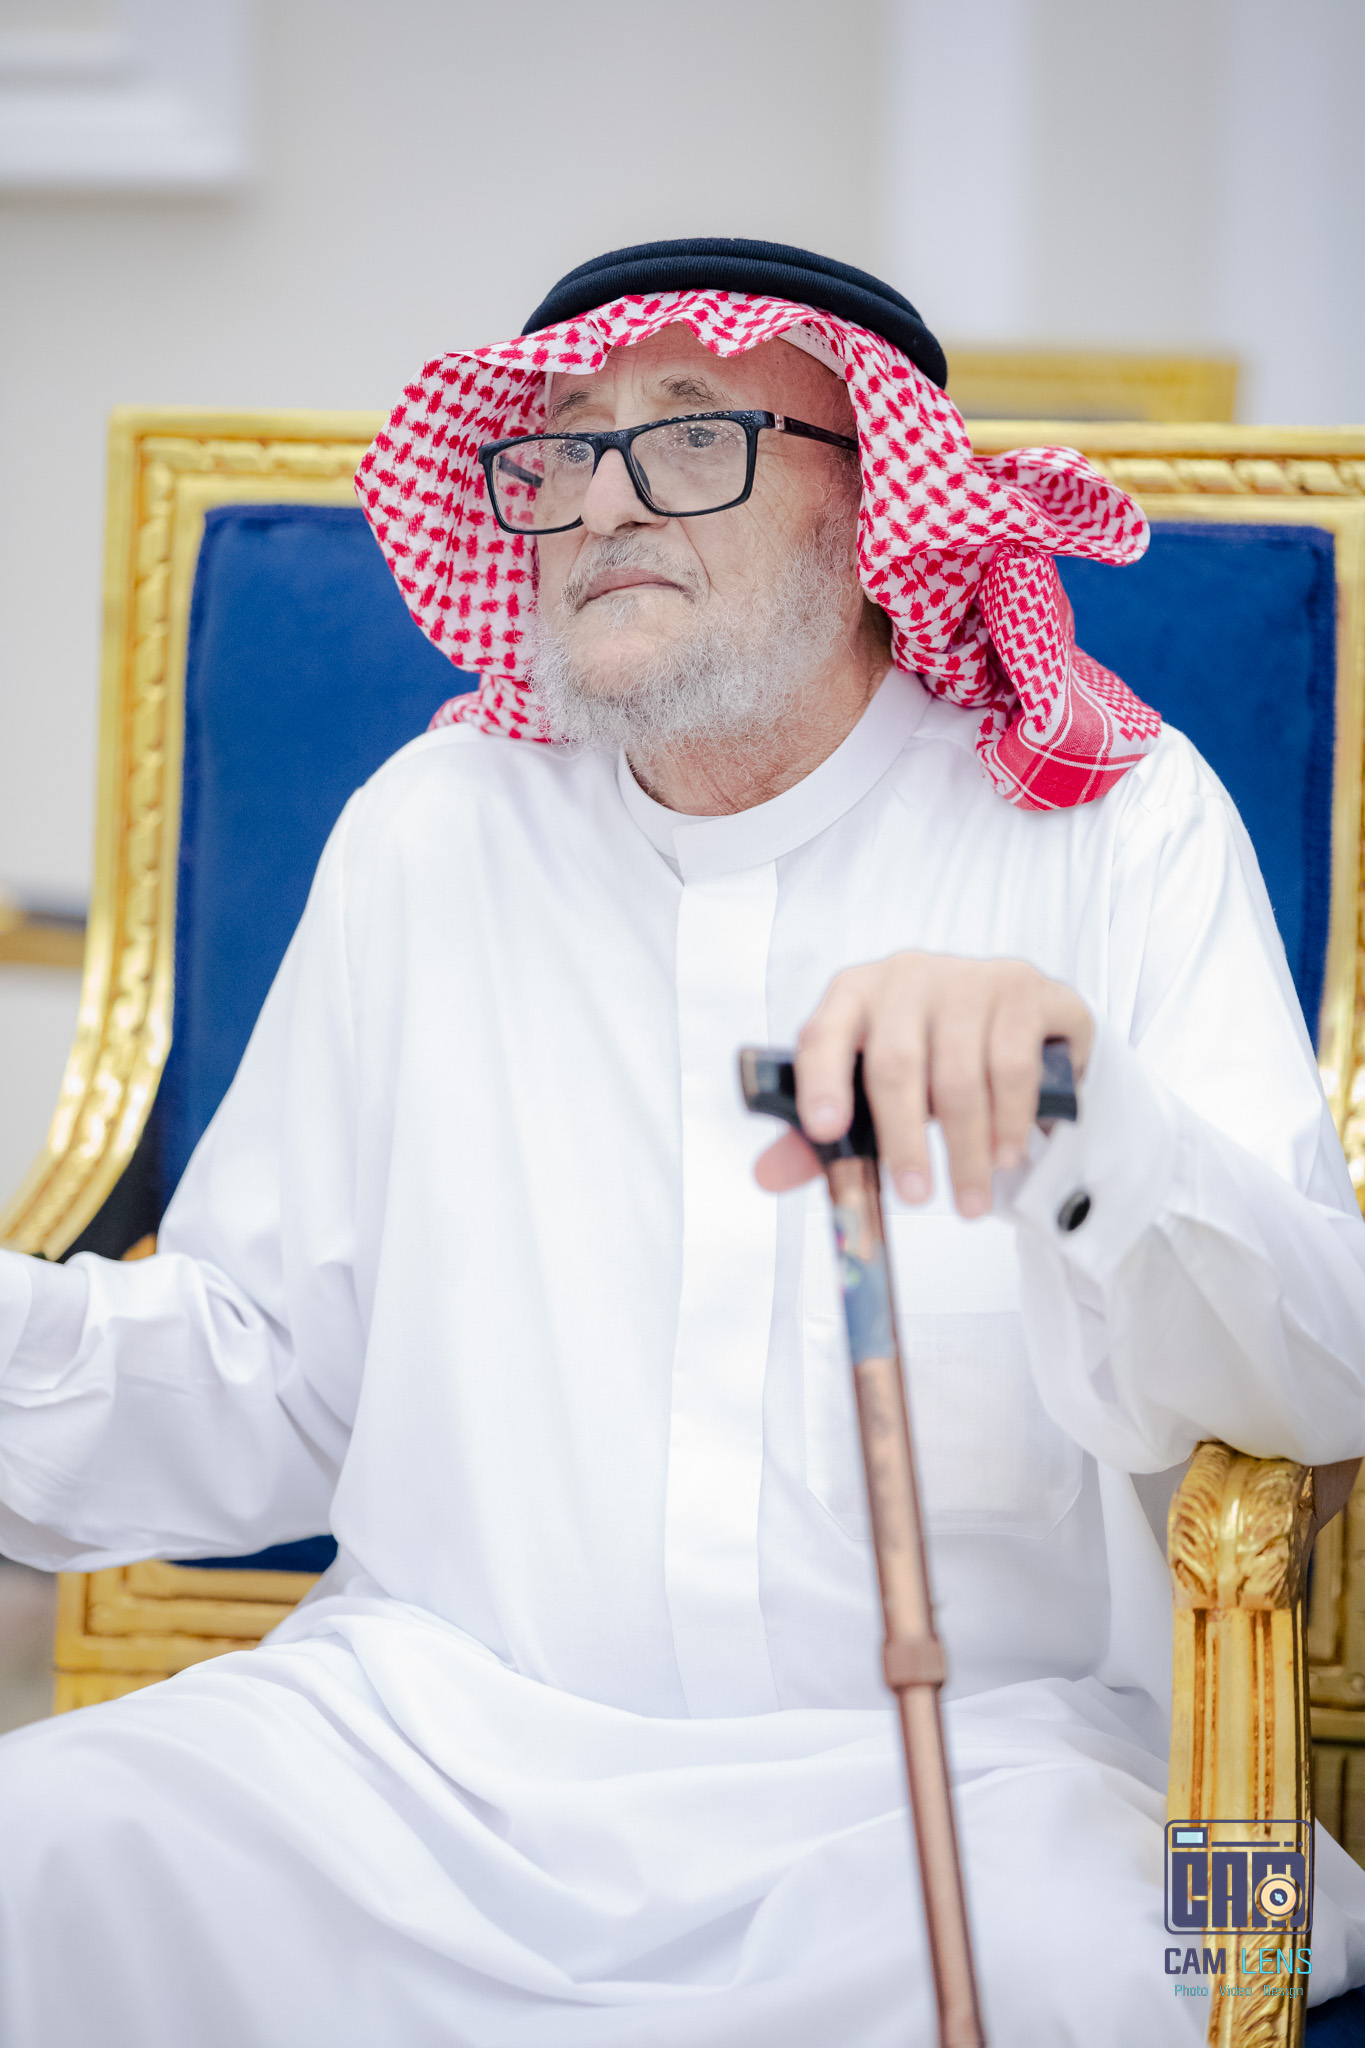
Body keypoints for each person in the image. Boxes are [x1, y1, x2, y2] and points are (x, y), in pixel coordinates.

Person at [0, 237, 1363, 2047]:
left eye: (693, 435)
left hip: (977, 1778)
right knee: (42, 1843)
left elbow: (1317, 1386)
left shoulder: (1111, 822)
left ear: (875, 508)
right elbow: (273, 1379)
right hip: (430, 1766)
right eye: (563, 448)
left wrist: (1076, 1107)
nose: (604, 501)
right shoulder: (432, 830)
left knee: (1154, 1968)